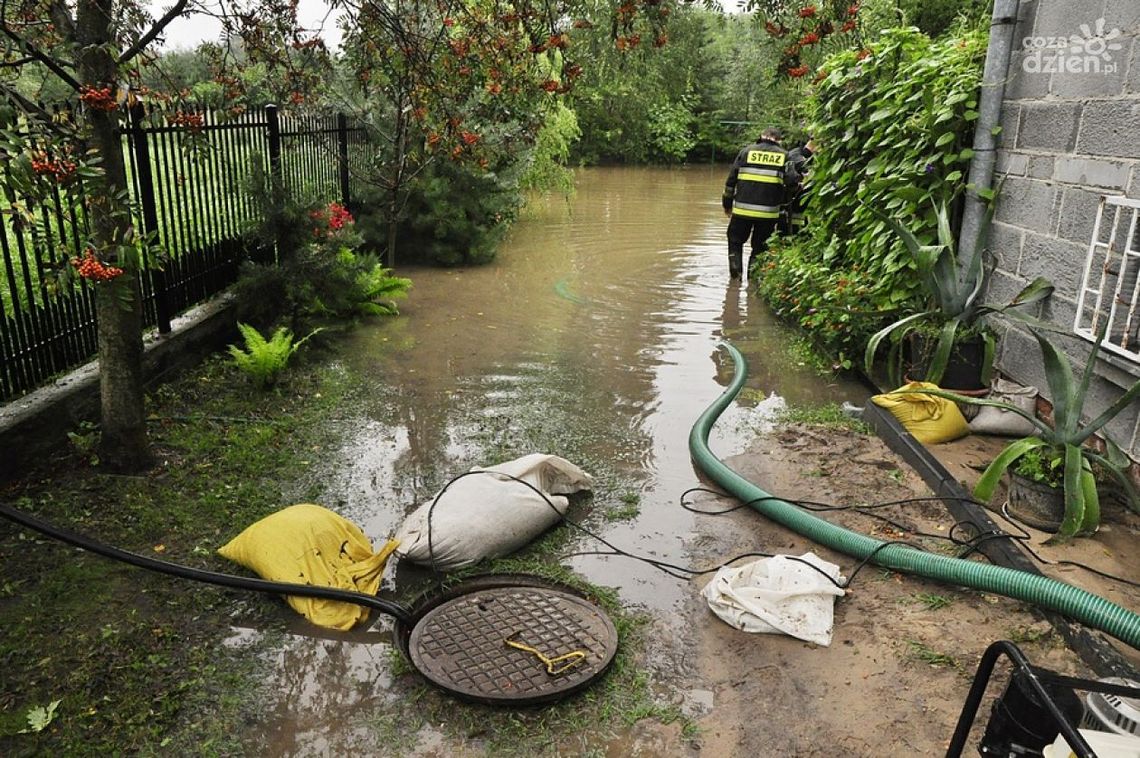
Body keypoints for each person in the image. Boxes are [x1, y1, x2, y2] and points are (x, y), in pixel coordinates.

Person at [722, 127, 800, 279]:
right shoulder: (785, 156)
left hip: (741, 211)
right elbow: (791, 182)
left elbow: (730, 182)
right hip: (768, 214)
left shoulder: (745, 152)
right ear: (779, 140)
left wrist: (727, 204)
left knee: (735, 241)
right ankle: (753, 281)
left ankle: (735, 275)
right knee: (759, 247)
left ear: (761, 136)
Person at [781, 137, 816, 237]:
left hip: (797, 199)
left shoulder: (806, 155)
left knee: (797, 221)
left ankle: (798, 235)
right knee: (791, 223)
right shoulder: (796, 155)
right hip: (792, 198)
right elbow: (805, 168)